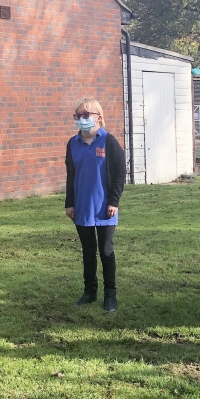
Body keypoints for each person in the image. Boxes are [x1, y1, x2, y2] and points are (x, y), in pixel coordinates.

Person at [65, 98, 126, 312]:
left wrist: (114, 201)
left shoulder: (109, 142)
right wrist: (69, 203)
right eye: (77, 116)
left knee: (106, 251)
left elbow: (119, 174)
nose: (81, 119)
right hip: (81, 207)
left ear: (98, 117)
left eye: (85, 115)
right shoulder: (72, 144)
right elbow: (70, 176)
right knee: (88, 251)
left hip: (104, 208)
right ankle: (89, 292)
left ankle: (111, 295)